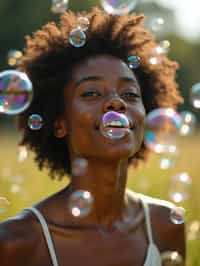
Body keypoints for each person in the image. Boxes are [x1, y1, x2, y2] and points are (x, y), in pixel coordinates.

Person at [0, 7, 186, 266]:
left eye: (130, 94)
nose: (117, 103)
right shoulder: (18, 241)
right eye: (91, 93)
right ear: (59, 123)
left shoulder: (165, 225)